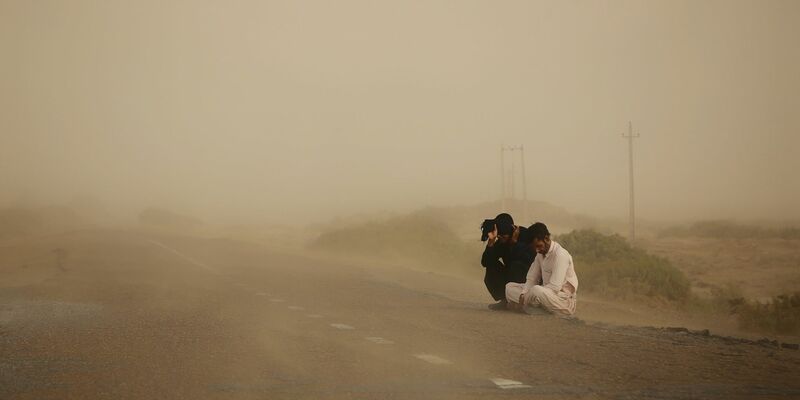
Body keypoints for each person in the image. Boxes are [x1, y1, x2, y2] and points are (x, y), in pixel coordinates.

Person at [505, 222, 579, 315]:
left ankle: (527, 307)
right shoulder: (540, 255)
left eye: (539, 246)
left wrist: (527, 296)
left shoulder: (560, 255)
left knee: (536, 290)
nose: (537, 250)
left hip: (562, 300)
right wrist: (523, 294)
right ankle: (534, 309)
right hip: (542, 296)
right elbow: (532, 278)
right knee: (509, 287)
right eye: (534, 247)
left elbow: (554, 287)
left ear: (546, 239)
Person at [481, 213, 535, 310]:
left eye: (503, 237)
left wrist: (514, 244)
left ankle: (518, 301)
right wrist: (491, 242)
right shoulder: (502, 241)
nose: (501, 239)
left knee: (516, 266)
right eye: (499, 237)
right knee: (492, 265)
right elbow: (485, 262)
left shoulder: (526, 236)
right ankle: (504, 300)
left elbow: (531, 261)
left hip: (530, 279)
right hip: (511, 277)